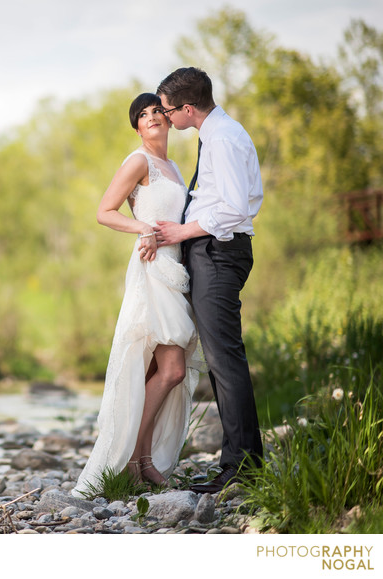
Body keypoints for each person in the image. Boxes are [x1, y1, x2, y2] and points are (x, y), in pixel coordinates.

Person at [71, 93, 204, 497]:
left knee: (157, 370)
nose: (151, 118)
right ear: (136, 127)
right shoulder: (138, 161)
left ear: (167, 118)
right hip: (152, 270)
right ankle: (136, 462)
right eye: (142, 115)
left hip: (175, 269)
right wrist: (143, 229)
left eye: (156, 112)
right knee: (173, 370)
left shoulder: (174, 166)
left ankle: (139, 462)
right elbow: (105, 211)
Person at [154, 67, 264, 494]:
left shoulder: (221, 138)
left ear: (186, 108)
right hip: (213, 250)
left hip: (219, 250)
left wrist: (182, 231)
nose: (165, 118)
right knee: (222, 362)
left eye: (167, 110)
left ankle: (242, 469)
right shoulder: (218, 134)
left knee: (224, 359)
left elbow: (237, 207)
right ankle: (240, 462)